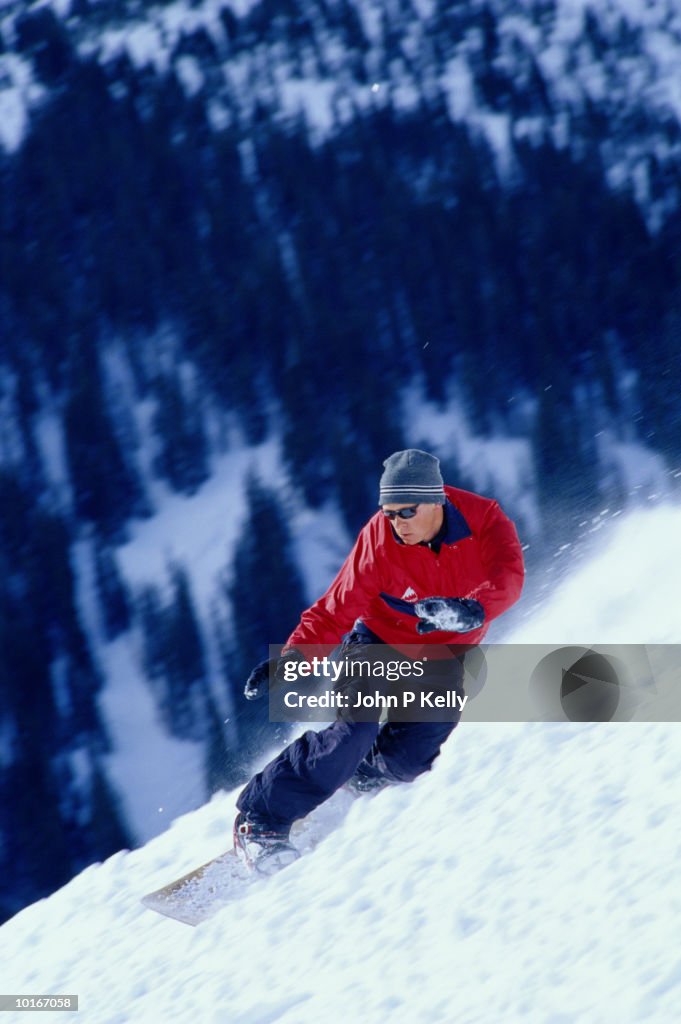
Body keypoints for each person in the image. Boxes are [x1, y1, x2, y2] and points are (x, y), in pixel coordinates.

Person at [233, 449, 524, 871]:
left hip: (444, 656)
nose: (397, 523)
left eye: (407, 511)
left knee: (410, 758)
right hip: (377, 644)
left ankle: (357, 778)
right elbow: (335, 609)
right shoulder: (379, 542)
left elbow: (509, 576)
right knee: (355, 731)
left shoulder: (484, 520)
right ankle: (260, 818)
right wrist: (292, 659)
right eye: (389, 513)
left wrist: (474, 609)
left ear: (436, 499)